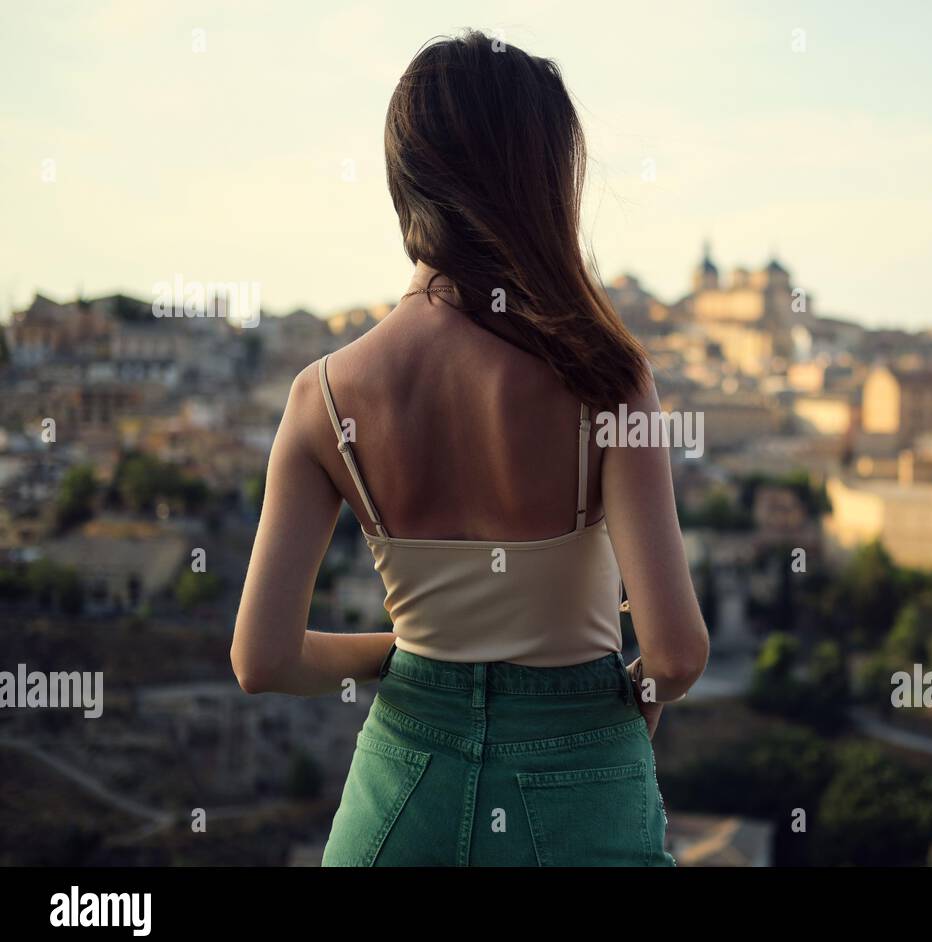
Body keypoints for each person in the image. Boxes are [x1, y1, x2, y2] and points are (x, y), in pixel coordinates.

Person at [231, 30, 709, 866]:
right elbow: (674, 652)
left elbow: (260, 659)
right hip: (580, 791)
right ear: (542, 183)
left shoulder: (323, 396)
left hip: (396, 798)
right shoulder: (605, 373)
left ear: (404, 177)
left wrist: (416, 658)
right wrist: (634, 696)